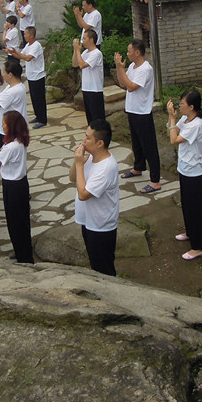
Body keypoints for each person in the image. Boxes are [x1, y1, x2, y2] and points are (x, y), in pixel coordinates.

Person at [69, 118, 119, 277]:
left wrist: (79, 164)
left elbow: (83, 194)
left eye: (88, 138)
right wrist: (77, 161)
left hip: (101, 226)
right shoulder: (91, 156)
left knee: (104, 269)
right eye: (85, 135)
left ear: (100, 143)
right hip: (89, 221)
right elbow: (72, 178)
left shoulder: (106, 167)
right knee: (95, 264)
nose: (84, 140)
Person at [114, 39, 161, 193]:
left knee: (149, 147)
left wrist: (121, 68)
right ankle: (138, 167)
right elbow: (123, 84)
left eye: (129, 51)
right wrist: (119, 68)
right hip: (132, 110)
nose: (127, 54)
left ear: (137, 52)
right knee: (136, 144)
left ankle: (155, 181)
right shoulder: (133, 67)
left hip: (142, 112)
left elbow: (132, 87)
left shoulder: (145, 69)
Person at [0, 111, 34, 264]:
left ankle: (24, 257)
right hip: (18, 184)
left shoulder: (13, 146)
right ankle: (21, 250)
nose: (2, 126)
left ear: (12, 126)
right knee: (19, 221)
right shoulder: (17, 141)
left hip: (14, 187)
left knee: (16, 222)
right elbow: (1, 155)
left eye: (5, 124)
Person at [167, 90, 202, 261]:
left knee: (196, 209)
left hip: (194, 173)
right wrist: (173, 118)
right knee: (187, 205)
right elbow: (173, 130)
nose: (179, 105)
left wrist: (172, 118)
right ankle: (190, 233)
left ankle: (199, 247)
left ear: (191, 107)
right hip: (184, 169)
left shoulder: (196, 124)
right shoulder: (186, 119)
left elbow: (173, 140)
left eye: (182, 103)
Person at [7, 25, 46, 129]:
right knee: (34, 98)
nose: (24, 36)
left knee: (40, 99)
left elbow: (28, 58)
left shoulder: (36, 45)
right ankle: (38, 116)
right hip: (31, 76)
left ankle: (43, 119)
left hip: (38, 76)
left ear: (32, 35)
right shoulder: (28, 45)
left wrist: (16, 53)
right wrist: (13, 53)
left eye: (26, 34)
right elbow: (21, 55)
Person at [73, 28, 105, 123]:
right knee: (90, 117)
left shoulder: (96, 53)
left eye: (84, 38)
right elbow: (75, 64)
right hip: (86, 89)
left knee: (97, 118)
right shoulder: (85, 52)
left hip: (95, 90)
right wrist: (76, 50)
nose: (82, 41)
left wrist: (78, 51)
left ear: (91, 40)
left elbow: (82, 65)